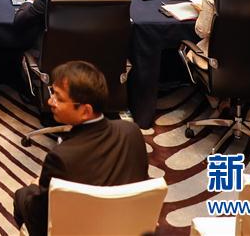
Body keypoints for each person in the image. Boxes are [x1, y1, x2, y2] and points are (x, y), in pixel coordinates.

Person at [13, 61, 149, 236]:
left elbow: (39, 221)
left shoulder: (61, 157)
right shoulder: (131, 131)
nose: (50, 101)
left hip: (80, 229)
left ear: (85, 111)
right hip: (126, 226)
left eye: (59, 98)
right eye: (52, 92)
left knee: (22, 196)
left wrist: (29, 190)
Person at [186, 0, 245, 95]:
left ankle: (217, 101)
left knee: (192, 52)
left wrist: (203, 11)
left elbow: (202, 31)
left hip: (219, 57)